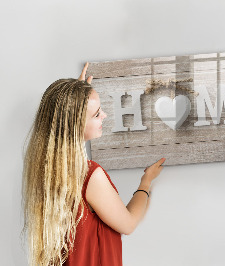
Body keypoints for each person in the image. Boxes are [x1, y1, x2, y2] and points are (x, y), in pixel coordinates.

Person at [22, 63, 165, 266]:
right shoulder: (90, 176)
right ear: (75, 124)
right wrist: (146, 182)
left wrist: (76, 97)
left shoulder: (44, 168)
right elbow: (129, 223)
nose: (104, 116)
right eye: (97, 114)